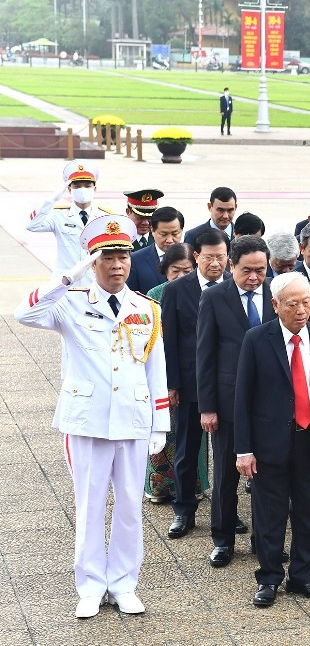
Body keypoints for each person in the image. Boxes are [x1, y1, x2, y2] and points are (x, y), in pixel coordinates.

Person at [14, 214, 169, 618]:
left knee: (130, 506)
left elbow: (156, 369)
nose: (117, 265)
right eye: (107, 258)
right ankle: (90, 586)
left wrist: (160, 424)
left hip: (133, 420)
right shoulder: (70, 302)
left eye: (123, 257)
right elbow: (23, 314)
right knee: (90, 506)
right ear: (92, 262)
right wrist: (68, 277)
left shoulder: (146, 308)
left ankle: (124, 583)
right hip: (87, 420)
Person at [235, 272, 310, 607]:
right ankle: (269, 577)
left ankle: (303, 575)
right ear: (275, 304)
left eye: (306, 302)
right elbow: (243, 398)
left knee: (309, 512)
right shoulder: (257, 339)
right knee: (270, 513)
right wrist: (244, 449)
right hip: (270, 442)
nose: (301, 310)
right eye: (293, 303)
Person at [196, 236, 277, 569]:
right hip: (228, 402)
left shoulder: (276, 292)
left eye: (261, 270)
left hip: (269, 402)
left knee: (267, 477)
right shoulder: (215, 297)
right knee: (226, 476)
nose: (255, 277)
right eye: (247, 270)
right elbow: (205, 354)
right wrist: (207, 407)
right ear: (232, 266)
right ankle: (223, 540)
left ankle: (264, 540)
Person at [164, 229, 231, 540]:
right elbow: (170, 341)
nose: (216, 263)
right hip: (191, 382)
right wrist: (172, 384)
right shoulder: (177, 290)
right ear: (196, 257)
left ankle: (227, 512)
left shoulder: (234, 286)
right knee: (187, 449)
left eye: (221, 257)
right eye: (209, 257)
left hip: (227, 382)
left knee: (227, 454)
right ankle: (184, 509)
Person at [144, 242, 208, 505]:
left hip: (192, 374)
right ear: (165, 270)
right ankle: (159, 486)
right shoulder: (154, 295)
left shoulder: (203, 291)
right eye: (175, 271)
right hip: (161, 371)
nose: (181, 276)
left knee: (193, 437)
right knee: (163, 432)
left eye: (187, 270)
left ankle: (195, 485)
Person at [25, 160, 115, 280]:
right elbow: (33, 225)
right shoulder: (58, 214)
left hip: (94, 280)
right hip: (64, 281)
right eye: (77, 186)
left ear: (94, 188)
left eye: (87, 186)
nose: (82, 189)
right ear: (69, 189)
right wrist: (51, 201)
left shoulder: (105, 217)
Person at [126, 206, 184, 295]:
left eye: (175, 234)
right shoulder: (135, 260)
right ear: (152, 230)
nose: (169, 240)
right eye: (164, 234)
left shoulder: (192, 257)